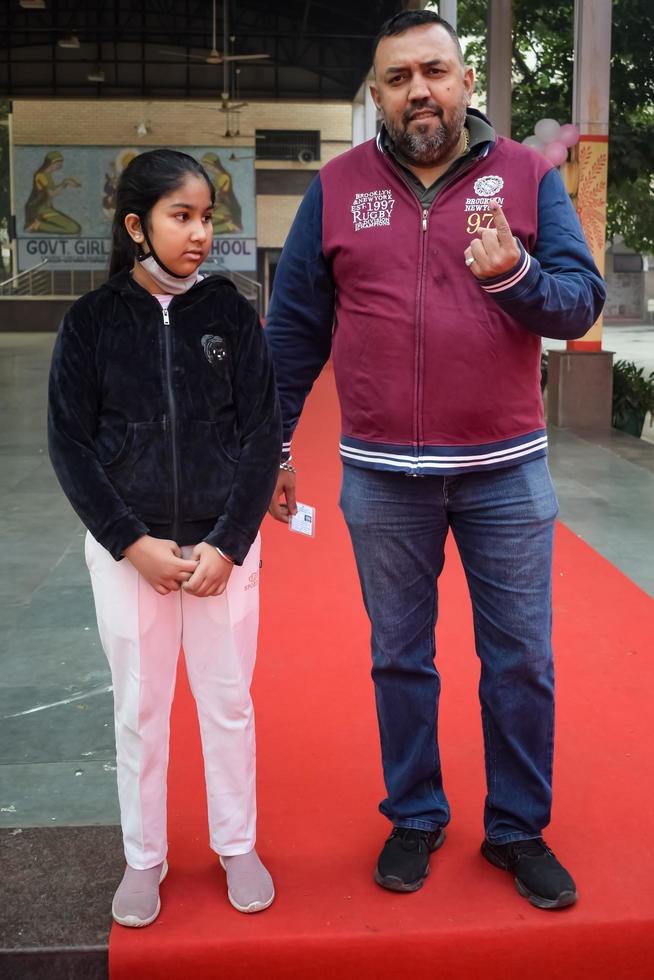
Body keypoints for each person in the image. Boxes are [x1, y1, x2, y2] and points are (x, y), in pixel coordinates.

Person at [265, 11, 605, 910]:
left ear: (464, 81)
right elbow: (294, 331)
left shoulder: (528, 178)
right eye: (398, 76)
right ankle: (415, 813)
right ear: (375, 93)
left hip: (506, 473)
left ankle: (517, 829)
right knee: (400, 657)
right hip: (381, 478)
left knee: (522, 657)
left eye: (435, 71)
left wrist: (516, 280)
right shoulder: (335, 189)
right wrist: (270, 441)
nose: (420, 89)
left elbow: (579, 305)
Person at [48, 149, 281, 926]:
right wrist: (130, 542)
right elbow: (70, 446)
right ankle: (143, 858)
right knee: (140, 709)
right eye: (182, 216)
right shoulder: (92, 321)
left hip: (223, 549)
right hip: (130, 553)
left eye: (207, 216)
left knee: (226, 702)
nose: (200, 233)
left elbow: (260, 438)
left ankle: (236, 842)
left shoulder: (230, 314)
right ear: (136, 225)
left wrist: (229, 543)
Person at [25, 150, 82, 234]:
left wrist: (66, 182)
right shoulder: (40, 175)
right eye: (58, 164)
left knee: (74, 228)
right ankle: (37, 225)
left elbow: (52, 190)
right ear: (51, 163)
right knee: (74, 228)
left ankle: (39, 224)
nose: (60, 166)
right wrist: (64, 183)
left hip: (48, 209)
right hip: (40, 210)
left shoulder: (47, 175)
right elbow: (51, 193)